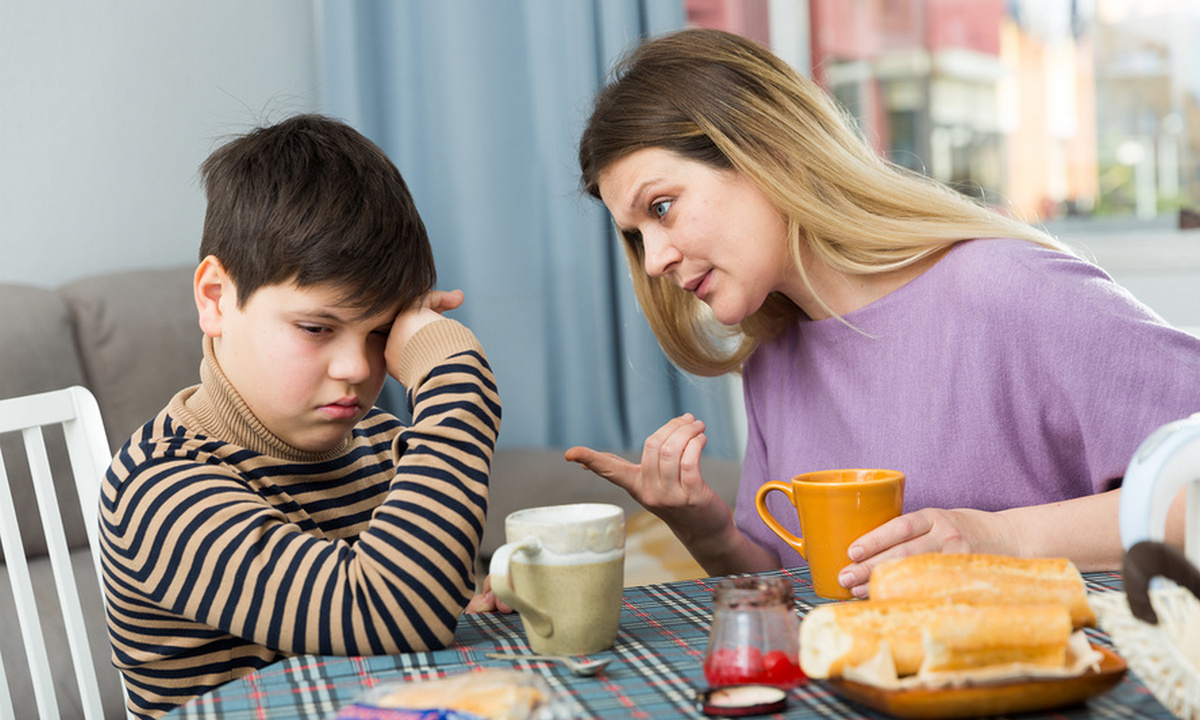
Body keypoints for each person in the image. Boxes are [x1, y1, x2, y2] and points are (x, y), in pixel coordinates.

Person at [564, 28, 1200, 597]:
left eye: (662, 207)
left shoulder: (1007, 288)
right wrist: (701, 523)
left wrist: (997, 539)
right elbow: (793, 581)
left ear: (767, 149)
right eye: (636, 235)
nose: (652, 262)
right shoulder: (775, 360)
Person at [99, 114, 501, 719]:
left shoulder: (381, 443)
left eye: (382, 334)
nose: (357, 370)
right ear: (215, 298)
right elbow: (390, 615)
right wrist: (456, 385)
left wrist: (463, 603)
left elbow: (424, 622)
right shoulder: (157, 489)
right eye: (317, 328)